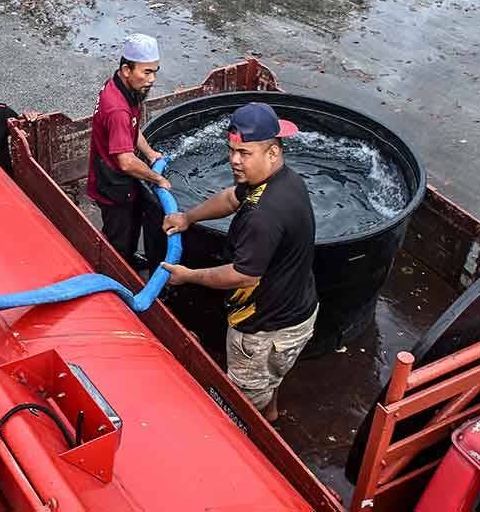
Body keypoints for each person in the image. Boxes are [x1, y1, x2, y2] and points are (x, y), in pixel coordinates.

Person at [161, 102, 319, 422]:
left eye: (245, 153)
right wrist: (188, 217)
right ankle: (271, 415)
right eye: (232, 150)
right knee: (269, 380)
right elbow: (233, 197)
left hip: (264, 332)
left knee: (239, 406)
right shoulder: (284, 180)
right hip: (297, 311)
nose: (234, 160)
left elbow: (242, 275)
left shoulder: (265, 215)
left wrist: (188, 275)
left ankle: (252, 449)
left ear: (272, 152)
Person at [86, 34, 171, 268]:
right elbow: (125, 161)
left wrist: (151, 153)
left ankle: (130, 260)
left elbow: (132, 130)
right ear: (126, 69)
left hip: (121, 181)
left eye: (155, 71)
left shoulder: (124, 87)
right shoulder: (116, 108)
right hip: (113, 185)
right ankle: (115, 277)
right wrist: (158, 178)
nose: (152, 79)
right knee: (119, 240)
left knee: (132, 228)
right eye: (146, 72)